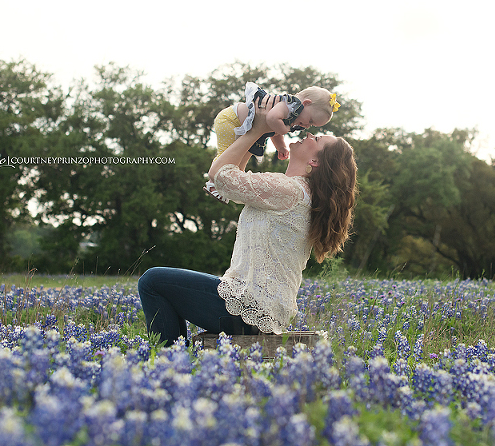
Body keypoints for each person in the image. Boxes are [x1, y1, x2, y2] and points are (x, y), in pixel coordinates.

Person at [138, 95, 357, 345]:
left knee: (153, 281)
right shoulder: (295, 192)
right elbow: (233, 179)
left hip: (247, 308)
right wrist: (259, 132)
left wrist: (257, 128)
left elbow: (219, 176)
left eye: (316, 139)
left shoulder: (290, 191)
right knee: (165, 284)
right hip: (257, 306)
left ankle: (167, 366)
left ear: (314, 162)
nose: (309, 135)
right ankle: (173, 361)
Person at [204, 82, 340, 203]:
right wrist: (284, 129)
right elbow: (271, 119)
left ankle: (227, 185)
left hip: (249, 131)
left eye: (312, 125)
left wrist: (280, 146)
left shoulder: (292, 115)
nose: (307, 126)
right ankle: (213, 183)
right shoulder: (288, 104)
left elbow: (273, 131)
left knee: (239, 163)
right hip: (231, 121)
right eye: (310, 120)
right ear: (306, 103)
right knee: (225, 154)